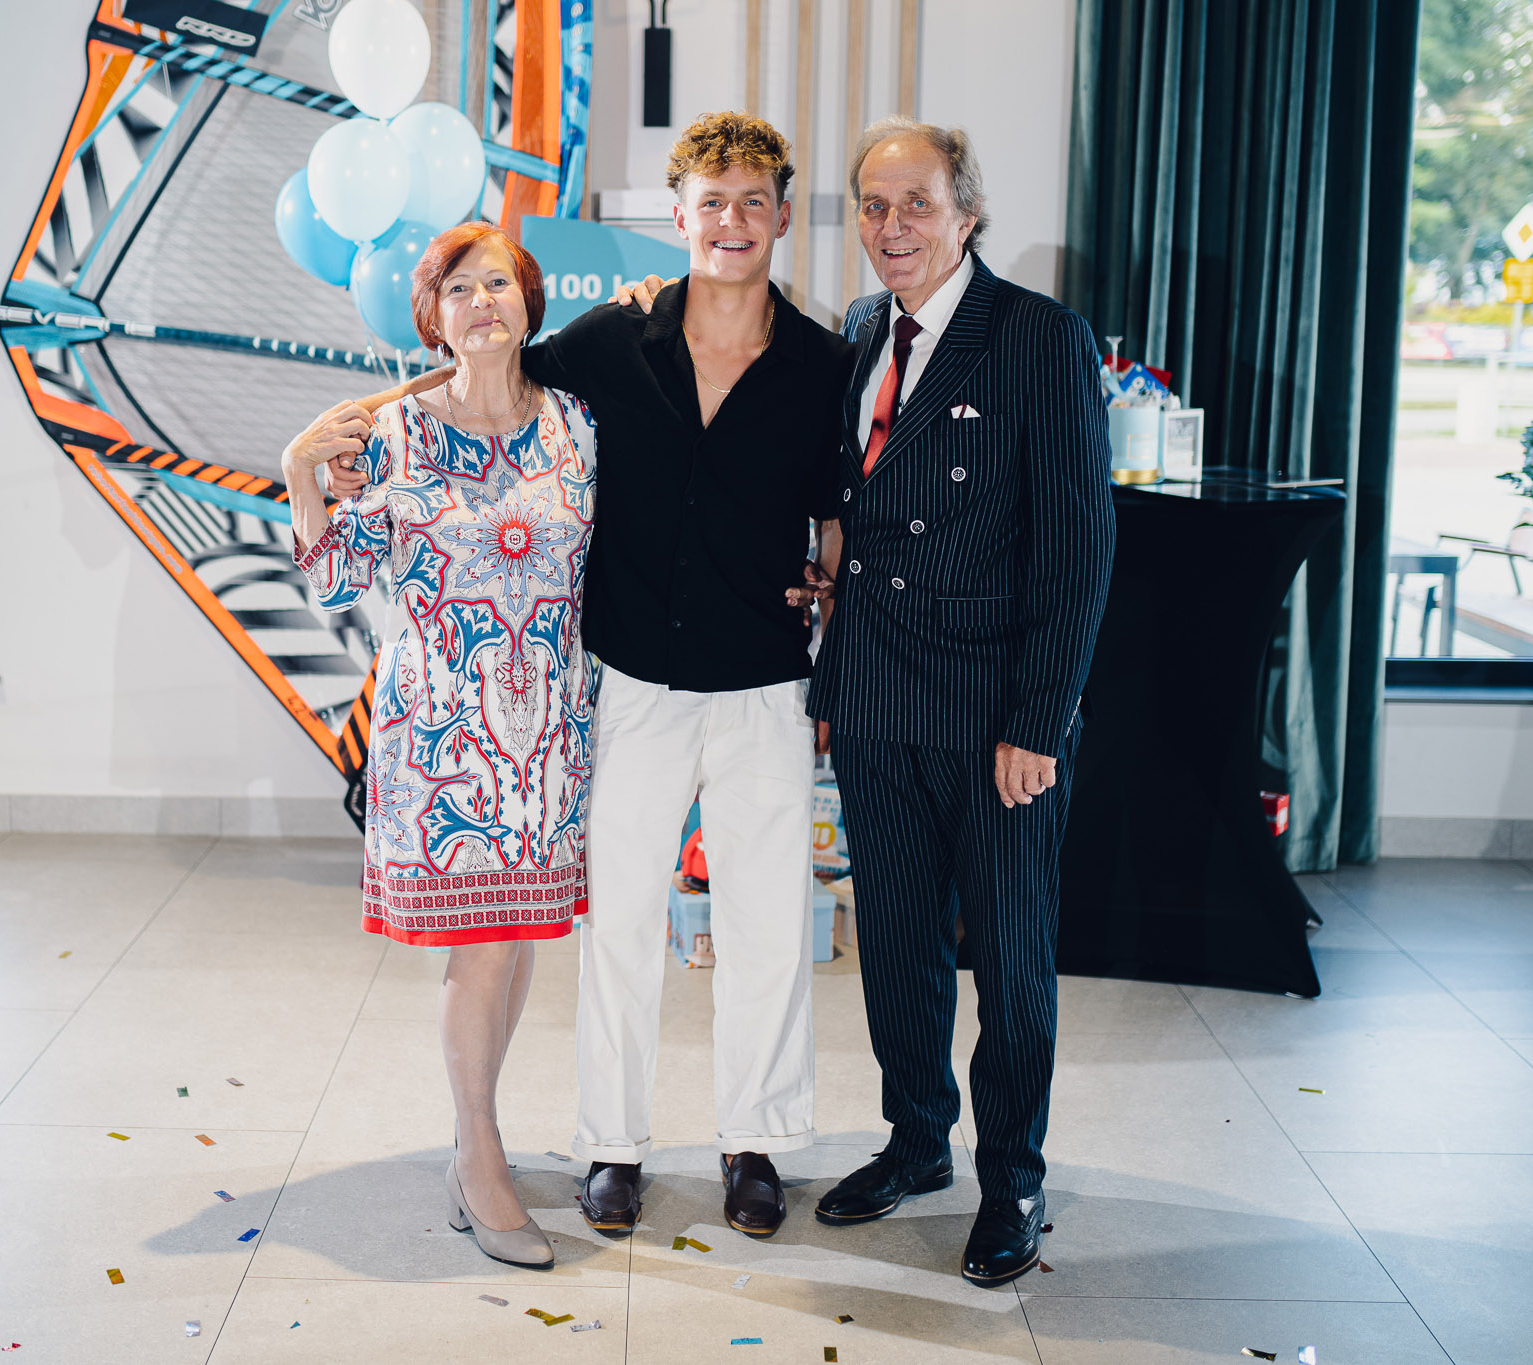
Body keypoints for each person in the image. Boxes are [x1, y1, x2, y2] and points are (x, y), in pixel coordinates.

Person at [332, 112, 856, 1240]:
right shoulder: (610, 342)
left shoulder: (822, 365)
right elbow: (480, 372)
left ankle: (754, 1141)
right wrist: (348, 433)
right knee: (617, 924)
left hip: (764, 682)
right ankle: (611, 1147)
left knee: (767, 925)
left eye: (752, 202)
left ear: (779, 216)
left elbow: (833, 515)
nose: (731, 221)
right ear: (679, 218)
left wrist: (827, 596)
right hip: (633, 681)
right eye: (711, 203)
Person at [807, 117, 1115, 1286]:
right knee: (894, 945)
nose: (890, 227)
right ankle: (915, 1140)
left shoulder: (1037, 337)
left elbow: (1077, 548)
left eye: (916, 204)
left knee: (1011, 960)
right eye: (872, 205)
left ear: (967, 213)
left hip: (995, 713)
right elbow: (856, 508)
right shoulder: (858, 330)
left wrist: (1037, 720)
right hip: (874, 694)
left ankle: (1012, 1177)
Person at [281, 221, 597, 1271]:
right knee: (485, 943)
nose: (481, 301)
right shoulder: (395, 434)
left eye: (497, 282)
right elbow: (337, 580)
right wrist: (299, 472)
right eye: (458, 288)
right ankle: (479, 1151)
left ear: (528, 303)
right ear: (434, 317)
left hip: (548, 734)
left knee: (516, 938)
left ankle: (477, 1137)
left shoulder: (579, 426)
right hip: (443, 738)